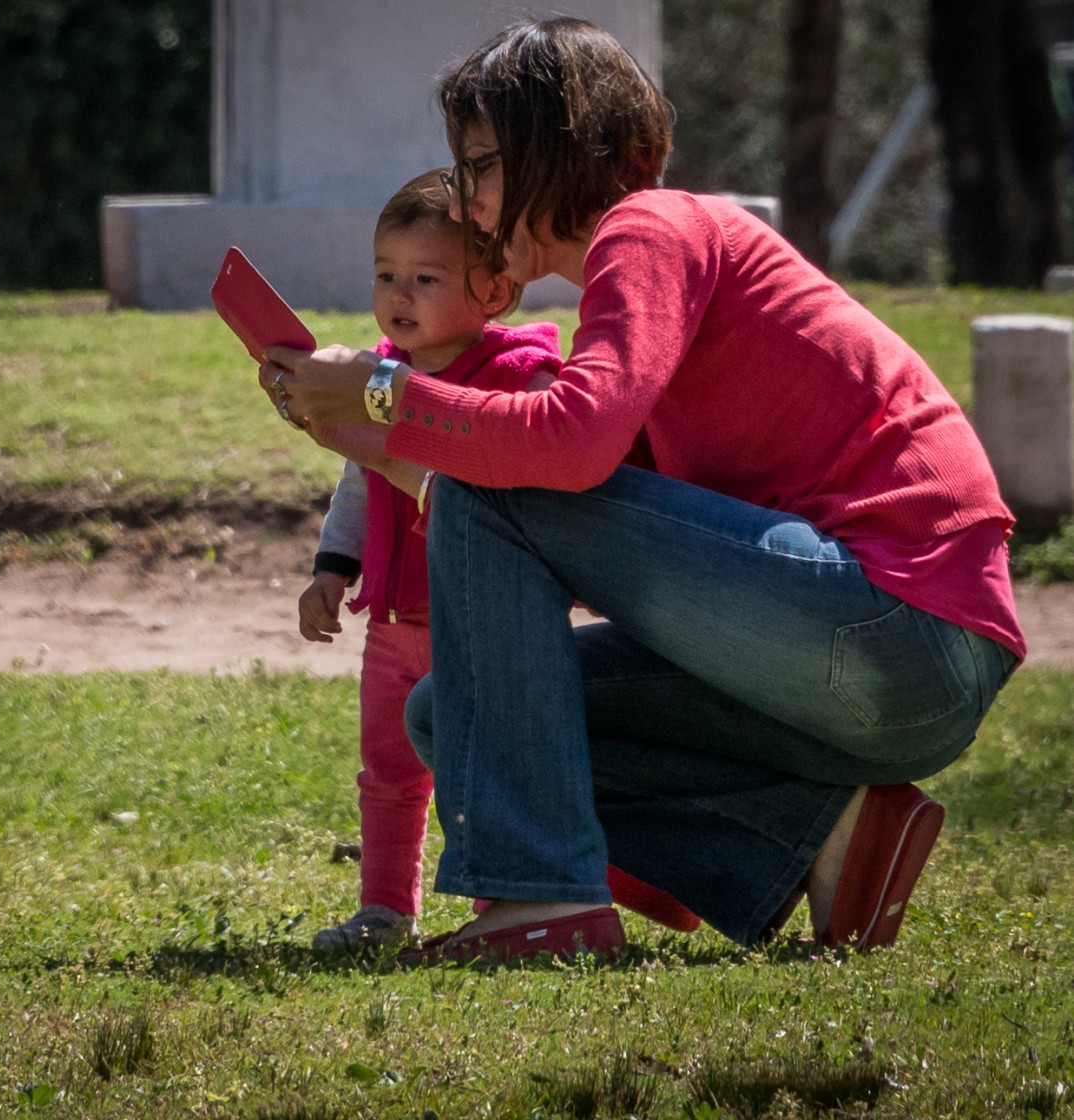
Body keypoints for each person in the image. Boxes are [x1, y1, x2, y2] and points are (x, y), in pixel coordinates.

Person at [261, 18, 1027, 963]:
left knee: (488, 495)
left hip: (898, 624)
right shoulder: (638, 288)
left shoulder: (650, 227)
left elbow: (567, 457)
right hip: (880, 660)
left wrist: (383, 390)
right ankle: (833, 837)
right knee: (449, 713)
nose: (467, 199)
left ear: (557, 151)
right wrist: (356, 429)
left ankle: (537, 907)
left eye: (481, 165)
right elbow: (564, 522)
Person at [298, 169, 562, 951]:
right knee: (386, 772)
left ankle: (502, 905)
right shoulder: (376, 377)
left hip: (482, 617)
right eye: (385, 275)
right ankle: (385, 910)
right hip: (393, 617)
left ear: (494, 291)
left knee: (482, 768)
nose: (397, 295)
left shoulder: (518, 377)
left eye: (424, 277)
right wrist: (330, 569)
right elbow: (360, 472)